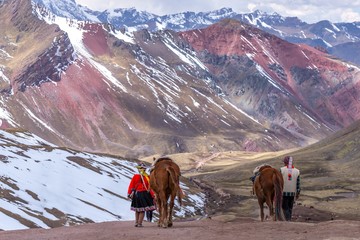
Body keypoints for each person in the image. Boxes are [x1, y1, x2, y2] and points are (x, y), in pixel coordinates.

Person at [127, 162, 156, 227]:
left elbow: (131, 186)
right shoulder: (147, 177)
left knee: (137, 210)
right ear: (145, 169)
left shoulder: (135, 176)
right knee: (142, 210)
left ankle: (136, 223)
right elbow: (150, 188)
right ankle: (140, 223)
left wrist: (129, 193)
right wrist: (153, 195)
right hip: (144, 194)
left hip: (136, 194)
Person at [280, 156, 301, 221]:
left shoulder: (281, 170)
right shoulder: (297, 171)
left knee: (285, 207)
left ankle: (288, 220)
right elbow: (298, 185)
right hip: (292, 193)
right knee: (290, 207)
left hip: (283, 192)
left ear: (285, 162)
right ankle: (289, 219)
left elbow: (278, 182)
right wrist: (297, 193)